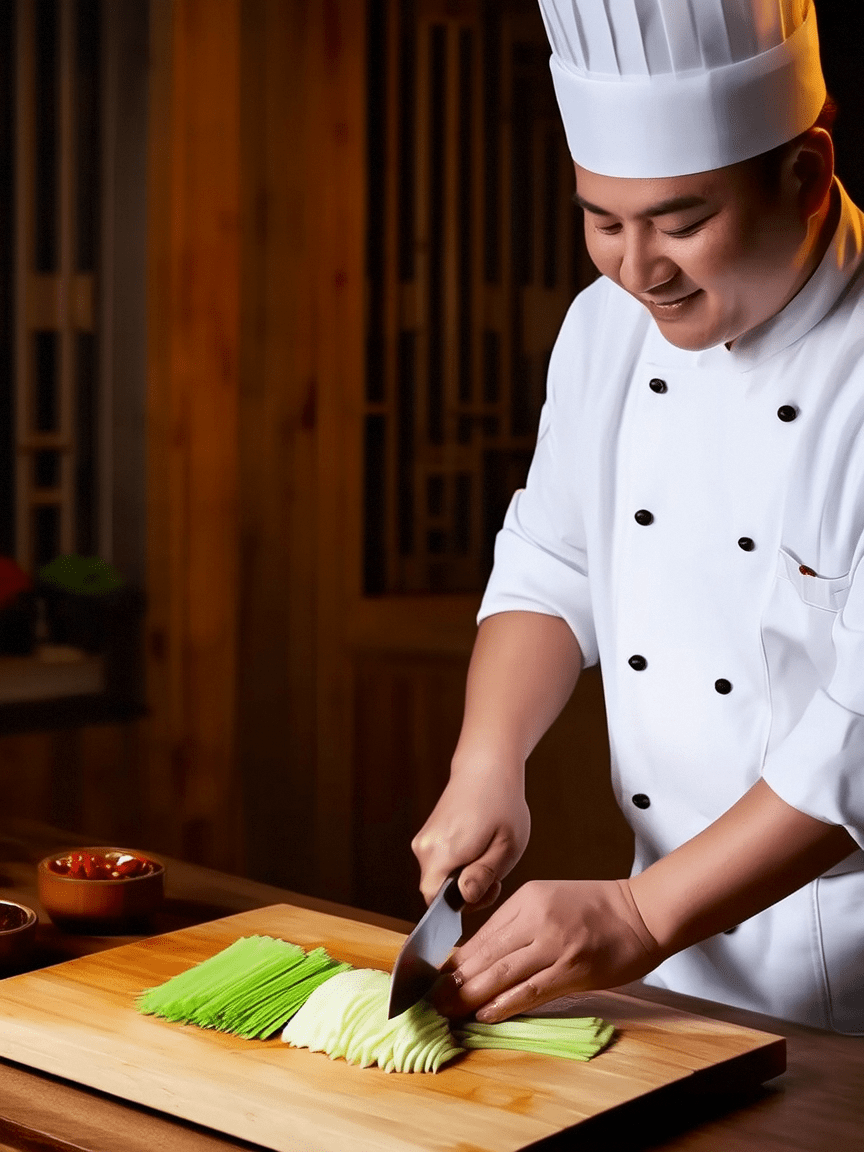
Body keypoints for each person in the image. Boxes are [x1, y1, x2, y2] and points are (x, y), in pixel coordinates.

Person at [412, 0, 864, 1035]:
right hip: (673, 972)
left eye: (682, 220)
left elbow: (859, 730)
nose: (637, 268)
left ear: (805, 175)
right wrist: (488, 760)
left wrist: (639, 912)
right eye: (602, 221)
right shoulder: (606, 328)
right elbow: (552, 556)